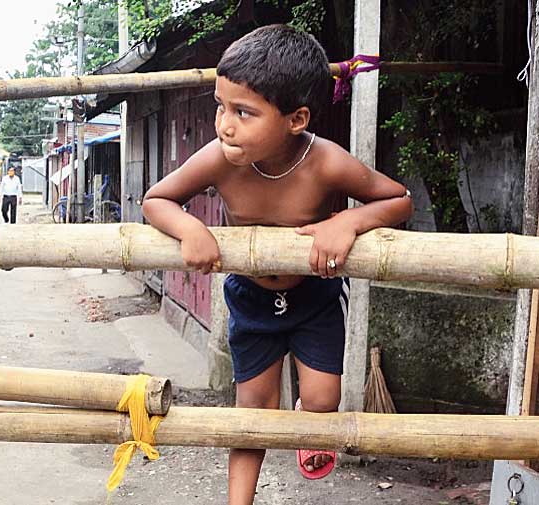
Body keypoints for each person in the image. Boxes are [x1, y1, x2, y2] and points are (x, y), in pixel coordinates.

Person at [141, 25, 413, 505]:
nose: (225, 124)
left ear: (296, 119)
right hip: (250, 300)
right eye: (221, 106)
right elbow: (157, 199)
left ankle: (311, 423)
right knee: (253, 410)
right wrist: (190, 228)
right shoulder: (220, 159)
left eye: (244, 113)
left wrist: (348, 220)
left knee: (325, 400)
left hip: (314, 297)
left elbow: (398, 199)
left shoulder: (326, 162)